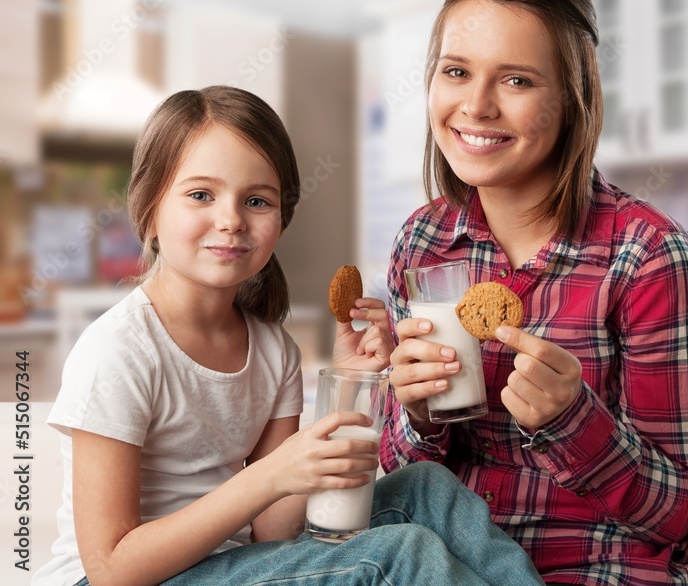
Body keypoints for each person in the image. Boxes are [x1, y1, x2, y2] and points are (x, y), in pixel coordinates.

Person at [34, 86, 542, 586]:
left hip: (232, 565)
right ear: (148, 207)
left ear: (281, 219)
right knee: (393, 554)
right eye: (200, 195)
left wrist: (350, 383)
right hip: (121, 577)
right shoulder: (120, 351)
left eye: (256, 200)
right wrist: (270, 474)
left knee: (429, 487)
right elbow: (111, 569)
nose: (231, 220)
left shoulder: (273, 350)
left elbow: (275, 531)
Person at [381, 0, 688, 585]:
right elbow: (400, 469)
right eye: (457, 72)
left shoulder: (647, 255)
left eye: (516, 81)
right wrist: (416, 414)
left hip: (590, 569)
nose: (475, 106)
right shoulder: (422, 242)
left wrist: (573, 423)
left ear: (572, 98)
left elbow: (676, 512)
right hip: (446, 563)